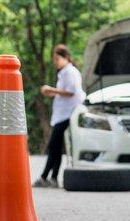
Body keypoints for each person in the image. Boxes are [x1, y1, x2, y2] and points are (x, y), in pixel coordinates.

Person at [33, 44, 85, 188]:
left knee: (53, 146)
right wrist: (54, 92)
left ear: (66, 58)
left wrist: (52, 90)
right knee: (56, 147)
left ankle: (45, 177)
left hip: (68, 113)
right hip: (62, 113)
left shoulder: (70, 72)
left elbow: (71, 92)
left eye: (57, 59)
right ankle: (53, 177)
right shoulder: (63, 73)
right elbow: (64, 92)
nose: (55, 62)